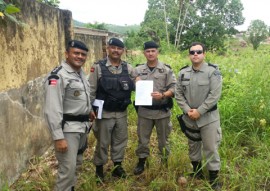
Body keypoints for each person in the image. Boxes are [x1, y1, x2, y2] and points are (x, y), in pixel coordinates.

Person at [44, 40, 94, 191]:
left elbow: (79, 97)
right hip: (68, 131)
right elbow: (52, 108)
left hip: (81, 127)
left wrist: (89, 110)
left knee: (76, 165)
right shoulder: (58, 76)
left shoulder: (80, 74)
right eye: (76, 53)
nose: (80, 57)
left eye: (83, 54)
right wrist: (58, 137)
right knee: (67, 170)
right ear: (67, 54)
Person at [175, 42, 222, 190]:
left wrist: (199, 111)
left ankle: (214, 178)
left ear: (204, 54)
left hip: (208, 117)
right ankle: (197, 171)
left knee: (210, 147)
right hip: (189, 117)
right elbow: (178, 94)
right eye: (192, 52)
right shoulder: (183, 73)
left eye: (199, 51)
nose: (195, 54)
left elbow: (214, 95)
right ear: (189, 55)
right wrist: (188, 110)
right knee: (193, 145)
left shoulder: (212, 72)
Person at [89, 37, 135, 181]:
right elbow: (91, 90)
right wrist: (90, 109)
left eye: (119, 48)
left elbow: (138, 80)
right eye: (113, 47)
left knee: (120, 141)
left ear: (123, 50)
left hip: (121, 113)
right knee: (102, 142)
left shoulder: (128, 68)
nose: (116, 50)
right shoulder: (98, 67)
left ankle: (117, 167)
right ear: (108, 48)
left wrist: (139, 81)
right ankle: (99, 170)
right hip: (104, 113)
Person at [133, 41, 176, 175]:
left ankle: (164, 161)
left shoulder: (166, 69)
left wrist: (163, 95)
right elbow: (128, 86)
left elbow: (174, 89)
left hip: (162, 111)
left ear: (158, 52)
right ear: (144, 53)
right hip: (144, 112)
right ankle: (141, 161)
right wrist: (135, 82)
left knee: (164, 139)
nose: (150, 53)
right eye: (147, 51)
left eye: (153, 50)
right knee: (143, 139)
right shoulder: (138, 70)